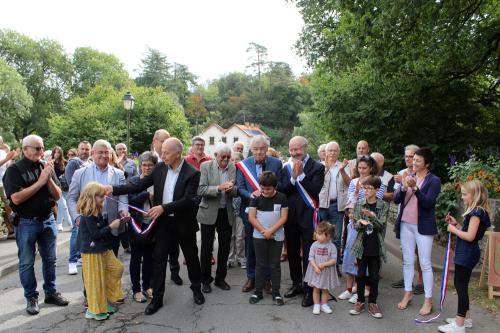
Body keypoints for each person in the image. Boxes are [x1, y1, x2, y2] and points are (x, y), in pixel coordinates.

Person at [106, 138, 205, 315]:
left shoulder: (192, 173)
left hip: (184, 223)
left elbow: (189, 200)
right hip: (164, 223)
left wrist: (163, 208)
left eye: (166, 152)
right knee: (159, 259)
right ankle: (157, 299)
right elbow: (139, 183)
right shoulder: (159, 168)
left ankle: (197, 288)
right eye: (162, 151)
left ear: (177, 153)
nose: (162, 155)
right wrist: (113, 189)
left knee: (191, 257)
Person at [3, 135, 69, 315]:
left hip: (47, 220)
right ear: (25, 150)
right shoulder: (14, 170)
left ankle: (51, 292)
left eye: (42, 148)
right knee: (26, 262)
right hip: (26, 222)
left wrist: (47, 178)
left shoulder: (44, 167)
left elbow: (57, 195)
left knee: (50, 260)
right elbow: (15, 198)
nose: (41, 152)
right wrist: (40, 181)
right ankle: (31, 297)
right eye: (37, 148)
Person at [67, 140, 129, 275]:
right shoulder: (80, 173)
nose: (104, 155)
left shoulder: (119, 174)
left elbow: (123, 197)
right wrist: (76, 217)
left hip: (112, 223)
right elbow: (71, 198)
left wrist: (124, 210)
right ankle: (89, 294)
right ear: (93, 153)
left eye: (106, 152)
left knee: (111, 264)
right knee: (90, 267)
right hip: (90, 225)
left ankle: (109, 293)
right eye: (100, 152)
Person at [438, 180, 491, 333]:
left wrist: (453, 230)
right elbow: (468, 231)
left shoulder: (477, 212)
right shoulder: (477, 211)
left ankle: (459, 325)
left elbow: (469, 236)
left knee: (461, 287)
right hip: (467, 252)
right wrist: (456, 225)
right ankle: (465, 319)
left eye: (464, 194)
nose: (462, 197)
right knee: (461, 285)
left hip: (467, 253)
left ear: (475, 195)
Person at [278, 136, 325, 307]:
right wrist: (292, 178)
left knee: (308, 253)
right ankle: (296, 283)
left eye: (297, 149)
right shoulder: (286, 167)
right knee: (291, 251)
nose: (294, 153)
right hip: (290, 216)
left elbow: (314, 191)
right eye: (291, 150)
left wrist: (301, 175)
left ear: (305, 147)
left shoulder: (318, 167)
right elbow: (282, 190)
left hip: (307, 216)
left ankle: (308, 288)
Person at [394, 147, 441, 316]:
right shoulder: (409, 176)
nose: (414, 162)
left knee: (425, 263)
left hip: (423, 227)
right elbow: (396, 199)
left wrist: (415, 189)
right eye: (413, 159)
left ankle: (428, 300)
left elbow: (428, 203)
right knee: (407, 261)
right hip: (406, 223)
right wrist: (404, 187)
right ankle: (408, 293)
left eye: (418, 160)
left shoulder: (434, 181)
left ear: (426, 163)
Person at [236, 135, 283, 293]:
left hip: (271, 213)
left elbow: (281, 184)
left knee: (269, 246)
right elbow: (239, 187)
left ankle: (268, 279)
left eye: (262, 148)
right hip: (251, 210)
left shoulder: (276, 163)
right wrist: (252, 194)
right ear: (251, 149)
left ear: (267, 148)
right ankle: (251, 277)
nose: (259, 152)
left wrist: (271, 192)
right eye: (256, 149)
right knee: (252, 245)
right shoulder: (243, 165)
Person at [339, 155, 385, 304]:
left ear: (371, 168)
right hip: (354, 222)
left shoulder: (377, 183)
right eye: (359, 167)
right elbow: (351, 202)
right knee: (349, 253)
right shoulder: (353, 181)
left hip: (370, 225)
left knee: (363, 257)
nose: (362, 170)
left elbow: (375, 201)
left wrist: (361, 194)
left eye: (365, 168)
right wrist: (352, 213)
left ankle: (363, 288)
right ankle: (349, 288)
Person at [76, 182, 124, 321]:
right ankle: (95, 310)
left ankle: (105, 300)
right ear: (92, 197)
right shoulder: (87, 214)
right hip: (91, 251)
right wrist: (111, 226)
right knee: (95, 280)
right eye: (101, 196)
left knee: (116, 268)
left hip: (102, 248)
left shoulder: (97, 210)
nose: (104, 199)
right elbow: (96, 234)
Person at [197, 144, 237, 293]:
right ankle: (205, 280)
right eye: (223, 157)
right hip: (208, 211)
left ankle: (221, 279)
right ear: (216, 155)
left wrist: (231, 189)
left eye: (228, 157)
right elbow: (201, 189)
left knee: (225, 247)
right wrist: (219, 188)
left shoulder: (232, 167)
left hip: (225, 212)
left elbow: (236, 191)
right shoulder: (206, 166)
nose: (225, 160)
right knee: (206, 248)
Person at [349, 176, 389, 318]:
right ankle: (359, 301)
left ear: (377, 190)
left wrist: (372, 216)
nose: (366, 191)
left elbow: (381, 226)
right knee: (360, 274)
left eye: (369, 188)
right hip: (362, 244)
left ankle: (373, 302)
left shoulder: (383, 205)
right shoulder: (359, 204)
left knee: (374, 276)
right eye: (364, 188)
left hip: (375, 245)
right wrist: (360, 222)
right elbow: (355, 224)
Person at [248, 171, 288, 306]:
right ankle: (257, 291)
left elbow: (284, 217)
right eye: (262, 188)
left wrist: (271, 231)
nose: (264, 191)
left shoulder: (282, 197)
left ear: (275, 187)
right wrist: (263, 231)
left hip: (276, 236)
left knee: (275, 265)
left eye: (268, 189)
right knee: (260, 264)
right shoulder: (256, 198)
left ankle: (276, 292)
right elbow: (251, 217)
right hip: (259, 236)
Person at [127, 151, 161, 303]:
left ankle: (148, 286)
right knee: (136, 258)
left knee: (149, 258)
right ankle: (136, 290)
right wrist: (146, 195)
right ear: (140, 166)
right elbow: (130, 202)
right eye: (144, 165)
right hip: (137, 225)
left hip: (153, 225)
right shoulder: (134, 182)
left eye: (150, 165)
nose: (147, 168)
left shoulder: (159, 182)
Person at [392, 145, 424, 295]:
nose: (408, 159)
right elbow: (396, 197)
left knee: (420, 252)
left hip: (418, 219)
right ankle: (408, 280)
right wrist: (401, 183)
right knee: (406, 250)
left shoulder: (423, 175)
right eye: (406, 156)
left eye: (411, 157)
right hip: (403, 217)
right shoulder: (401, 173)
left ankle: (421, 282)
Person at [318, 141, 351, 259]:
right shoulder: (319, 166)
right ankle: (322, 262)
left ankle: (334, 265)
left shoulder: (344, 166)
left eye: (335, 150)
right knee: (321, 235)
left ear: (338, 152)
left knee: (336, 237)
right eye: (330, 150)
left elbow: (349, 183)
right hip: (321, 205)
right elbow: (315, 183)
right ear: (325, 152)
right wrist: (326, 168)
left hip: (337, 206)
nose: (332, 153)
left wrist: (342, 170)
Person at [304, 221, 339, 315]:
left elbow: (334, 260)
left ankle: (324, 304)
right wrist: (315, 267)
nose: (317, 235)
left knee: (325, 289)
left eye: (320, 234)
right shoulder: (314, 245)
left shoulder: (332, 247)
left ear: (328, 236)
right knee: (316, 289)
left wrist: (324, 264)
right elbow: (310, 257)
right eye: (317, 233)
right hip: (316, 271)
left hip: (326, 272)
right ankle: (316, 305)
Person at [228, 152, 245, 268]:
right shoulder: (228, 173)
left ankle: (241, 258)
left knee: (240, 236)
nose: (234, 161)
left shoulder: (244, 174)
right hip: (229, 209)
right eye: (232, 159)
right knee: (230, 236)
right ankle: (230, 258)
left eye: (237, 159)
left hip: (240, 209)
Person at [0, 141, 19, 239]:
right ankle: (11, 230)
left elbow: (8, 166)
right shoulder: (4, 154)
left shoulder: (2, 152)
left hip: (3, 183)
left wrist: (12, 159)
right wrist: (8, 158)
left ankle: (14, 229)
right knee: (4, 208)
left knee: (7, 205)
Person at [51, 146, 72, 231]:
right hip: (56, 187)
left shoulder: (65, 162)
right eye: (55, 152)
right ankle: (71, 224)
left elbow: (69, 174)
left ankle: (59, 223)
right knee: (63, 205)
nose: (56, 154)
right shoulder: (50, 162)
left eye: (58, 152)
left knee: (61, 206)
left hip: (65, 187)